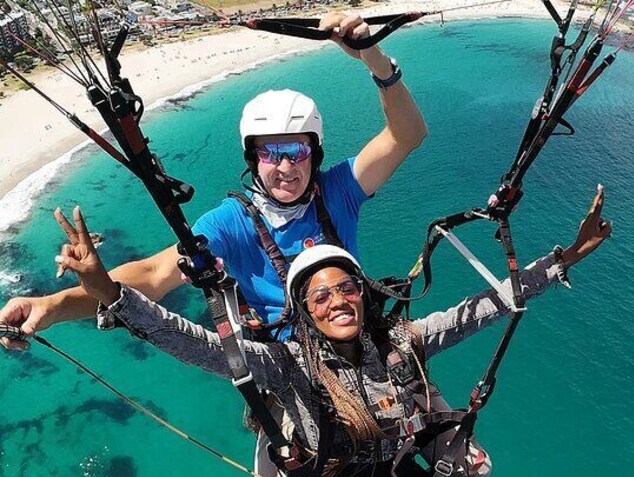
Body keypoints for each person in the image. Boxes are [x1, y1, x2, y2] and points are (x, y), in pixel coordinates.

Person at [51, 186, 611, 477]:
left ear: (363, 295)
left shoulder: (403, 341)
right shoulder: (288, 365)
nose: (338, 300)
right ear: (303, 311)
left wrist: (563, 260)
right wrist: (109, 292)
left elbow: (482, 308)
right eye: (321, 296)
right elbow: (196, 343)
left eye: (347, 289)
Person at [0, 11, 427, 349]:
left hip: (359, 338)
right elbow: (153, 274)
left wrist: (372, 57)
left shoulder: (337, 192)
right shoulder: (232, 223)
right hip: (291, 365)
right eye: (270, 153)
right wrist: (53, 305)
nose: (285, 167)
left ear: (314, 156)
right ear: (252, 160)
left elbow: (407, 135)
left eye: (296, 151)